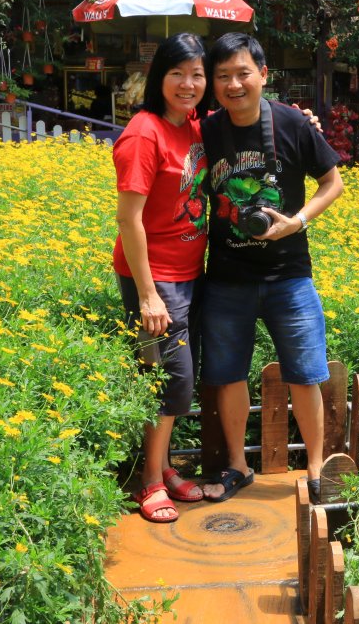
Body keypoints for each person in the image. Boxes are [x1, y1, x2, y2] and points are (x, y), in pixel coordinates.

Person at [198, 33, 344, 504]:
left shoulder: (293, 124)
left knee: (305, 373)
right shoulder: (206, 130)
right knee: (228, 374)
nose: (233, 84)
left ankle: (318, 471)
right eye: (222, 76)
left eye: (243, 73)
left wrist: (296, 222)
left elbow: (332, 182)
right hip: (226, 275)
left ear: (264, 75)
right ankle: (238, 467)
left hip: (289, 275)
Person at [113, 33, 210, 523]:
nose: (188, 84)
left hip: (192, 274)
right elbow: (128, 219)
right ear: (160, 78)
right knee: (174, 381)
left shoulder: (192, 126)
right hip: (157, 280)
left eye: (197, 74)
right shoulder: (143, 133)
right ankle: (149, 481)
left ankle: (164, 465)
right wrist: (149, 295)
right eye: (178, 73)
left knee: (170, 380)